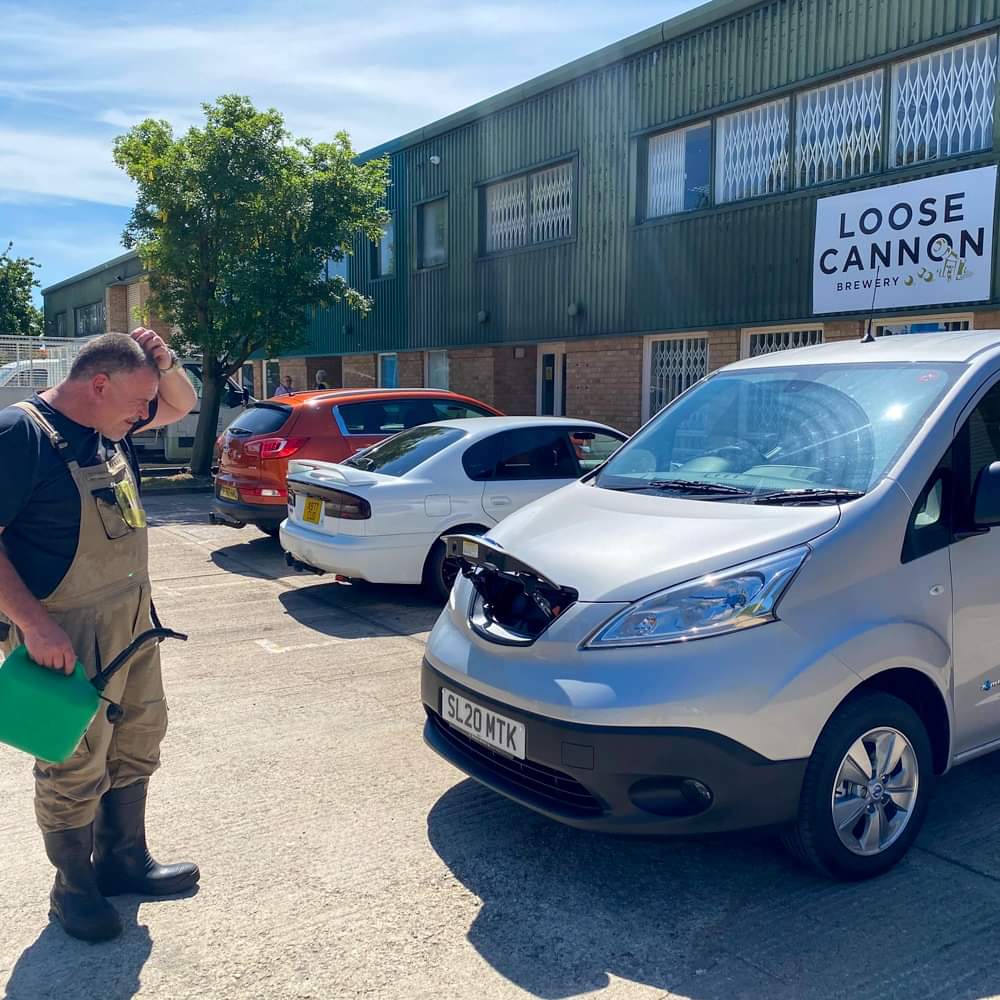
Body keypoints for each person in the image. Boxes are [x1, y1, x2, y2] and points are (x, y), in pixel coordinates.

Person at [0, 329, 200, 943]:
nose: (148, 415)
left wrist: (162, 363)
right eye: (137, 403)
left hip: (132, 622)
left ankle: (123, 860)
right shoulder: (21, 434)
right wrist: (33, 624)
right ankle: (73, 887)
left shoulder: (106, 427)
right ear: (97, 385)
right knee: (73, 762)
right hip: (61, 631)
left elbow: (183, 404)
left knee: (138, 737)